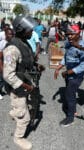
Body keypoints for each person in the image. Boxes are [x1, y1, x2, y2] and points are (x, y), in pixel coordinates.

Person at [3, 15, 42, 150]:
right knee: (24, 117)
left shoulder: (23, 42)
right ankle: (18, 138)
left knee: (24, 108)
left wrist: (36, 66)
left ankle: (15, 112)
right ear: (21, 30)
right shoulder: (12, 48)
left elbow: (25, 61)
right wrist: (25, 85)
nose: (32, 32)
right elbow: (8, 75)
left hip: (25, 82)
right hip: (17, 87)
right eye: (30, 30)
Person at [54, 25, 84, 127]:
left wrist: (67, 72)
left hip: (76, 76)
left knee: (69, 95)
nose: (69, 36)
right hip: (69, 74)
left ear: (78, 34)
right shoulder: (68, 44)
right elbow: (66, 57)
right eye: (68, 34)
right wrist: (59, 68)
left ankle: (70, 118)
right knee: (71, 94)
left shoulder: (83, 47)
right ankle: (72, 110)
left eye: (72, 34)